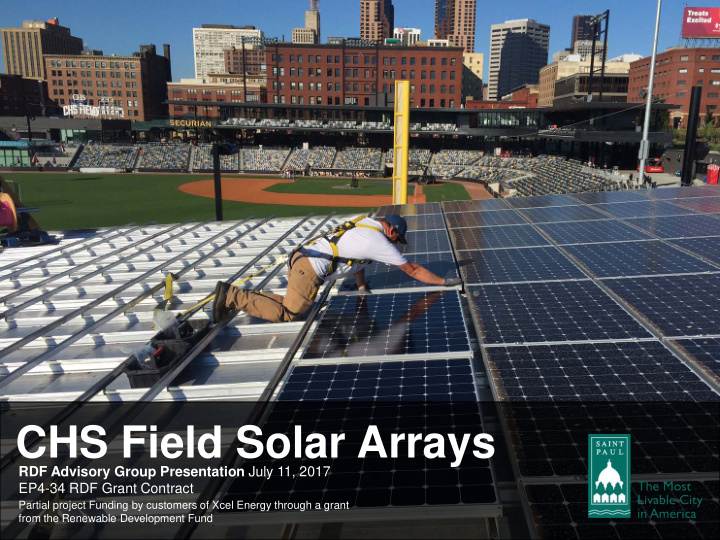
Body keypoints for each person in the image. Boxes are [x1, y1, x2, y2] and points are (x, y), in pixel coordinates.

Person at [212, 214, 462, 323]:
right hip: (309, 269)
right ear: (392, 231)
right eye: (397, 239)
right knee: (290, 313)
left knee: (290, 302)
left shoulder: (367, 223)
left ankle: (233, 295)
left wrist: (362, 286)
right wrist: (444, 283)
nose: (397, 244)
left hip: (303, 258)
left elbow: (358, 259)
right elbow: (414, 270)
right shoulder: (379, 241)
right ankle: (232, 296)